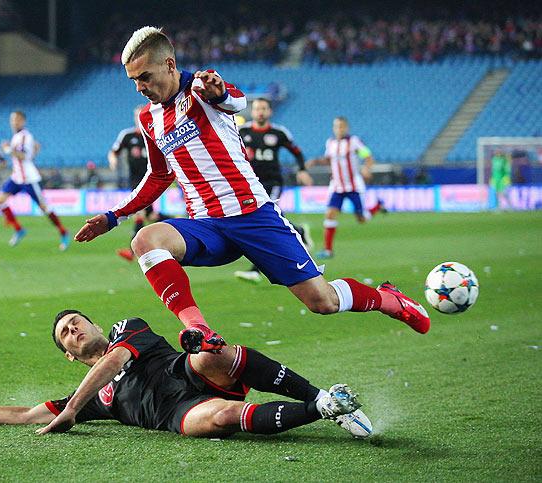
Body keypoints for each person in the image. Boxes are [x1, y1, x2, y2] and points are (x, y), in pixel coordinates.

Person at [74, 27, 430, 355]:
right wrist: (113, 216)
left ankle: (388, 299)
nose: (140, 87)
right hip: (207, 226)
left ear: (169, 64)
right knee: (145, 241)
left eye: (145, 77)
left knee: (323, 302)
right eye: (134, 81)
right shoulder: (148, 118)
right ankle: (200, 330)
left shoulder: (200, 87)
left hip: (252, 216)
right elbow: (158, 175)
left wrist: (220, 92)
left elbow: (235, 101)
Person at [0, 309, 372, 439]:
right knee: (210, 423)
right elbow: (24, 415)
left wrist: (72, 410)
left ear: (96, 325)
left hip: (190, 373)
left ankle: (319, 396)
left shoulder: (126, 330)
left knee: (208, 355)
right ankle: (324, 406)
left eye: (76, 321)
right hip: (182, 412)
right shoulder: (95, 400)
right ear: (69, 355)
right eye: (65, 334)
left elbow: (115, 361)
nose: (74, 329)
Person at [235, 97, 314, 283]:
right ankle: (299, 231)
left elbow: (296, 152)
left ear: (269, 111)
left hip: (273, 182)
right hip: (251, 183)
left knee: (265, 218)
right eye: (257, 109)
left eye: (263, 108)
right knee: (268, 219)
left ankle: (256, 269)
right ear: (252, 112)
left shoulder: (279, 133)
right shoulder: (242, 131)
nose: (260, 112)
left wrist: (302, 169)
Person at [307, 117, 385, 259]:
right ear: (333, 128)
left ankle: (378, 206)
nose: (339, 129)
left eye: (342, 126)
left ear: (347, 128)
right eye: (337, 126)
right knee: (330, 214)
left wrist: (367, 168)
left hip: (354, 186)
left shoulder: (354, 141)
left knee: (361, 219)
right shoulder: (330, 143)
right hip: (337, 186)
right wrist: (315, 161)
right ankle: (328, 250)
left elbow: (367, 155)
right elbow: (328, 159)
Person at [0, 111, 70, 251]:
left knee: (44, 208)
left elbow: (23, 156)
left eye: (17, 119)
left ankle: (63, 232)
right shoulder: (17, 137)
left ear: (23, 121)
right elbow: (31, 152)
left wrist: (7, 150)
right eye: (12, 119)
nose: (14, 122)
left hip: (30, 179)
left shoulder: (24, 136)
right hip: (17, 177)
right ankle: (18, 229)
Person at [108, 106, 171, 262]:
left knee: (141, 213)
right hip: (135, 180)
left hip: (152, 179)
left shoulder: (155, 132)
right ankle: (178, 221)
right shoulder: (127, 135)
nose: (138, 119)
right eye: (136, 116)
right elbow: (113, 151)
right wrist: (113, 161)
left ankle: (132, 251)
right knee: (150, 215)